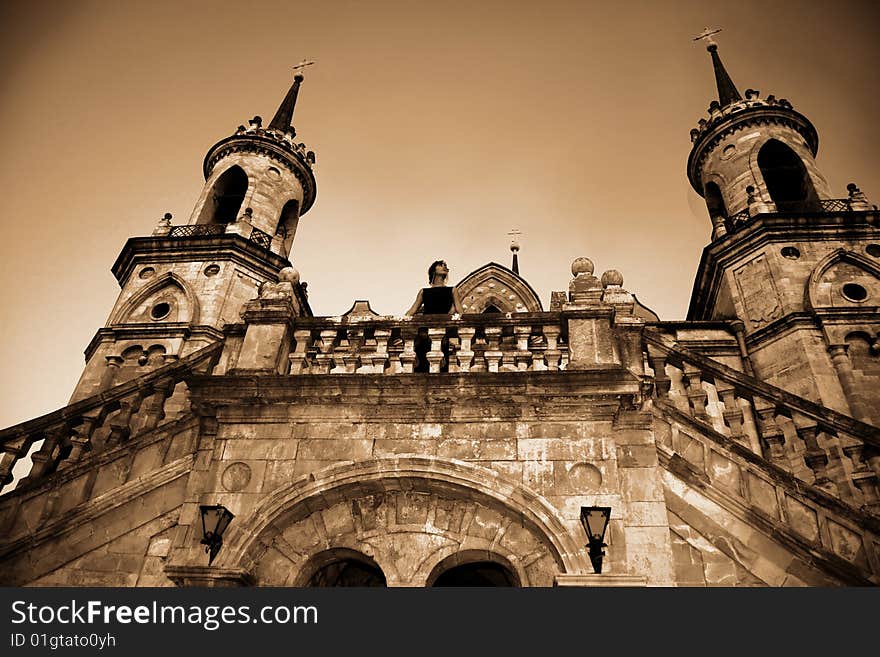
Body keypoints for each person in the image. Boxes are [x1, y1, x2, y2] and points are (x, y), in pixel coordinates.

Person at [406, 260, 463, 372]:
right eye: (441, 265)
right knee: (422, 367)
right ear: (434, 270)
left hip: (441, 335)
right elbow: (412, 310)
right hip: (424, 334)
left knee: (441, 368)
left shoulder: (452, 290)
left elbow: (459, 310)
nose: (445, 267)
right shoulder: (424, 292)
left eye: (446, 266)